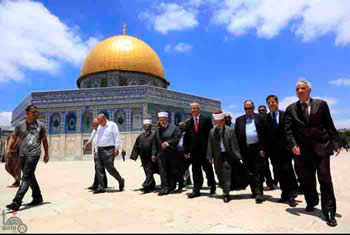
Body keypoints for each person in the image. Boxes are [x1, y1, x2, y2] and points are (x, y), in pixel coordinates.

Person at [285, 80, 341, 227]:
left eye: (303, 88)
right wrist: (293, 145)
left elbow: (329, 124)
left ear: (309, 90)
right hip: (303, 151)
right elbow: (288, 131)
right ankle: (311, 201)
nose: (300, 91)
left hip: (322, 147)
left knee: (325, 179)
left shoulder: (321, 104)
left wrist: (336, 142)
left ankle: (329, 212)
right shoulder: (291, 108)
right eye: (297, 89)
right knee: (307, 179)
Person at [6, 105, 49, 211]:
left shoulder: (41, 125)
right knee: (30, 177)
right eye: (33, 112)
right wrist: (8, 148)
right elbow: (13, 137)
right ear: (27, 113)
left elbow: (44, 140)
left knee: (25, 177)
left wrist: (46, 154)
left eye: (36, 112)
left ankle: (16, 201)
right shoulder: (20, 125)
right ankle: (37, 197)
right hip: (22, 155)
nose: (36, 114)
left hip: (34, 154)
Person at [207, 111, 250, 203]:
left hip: (228, 155)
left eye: (220, 121)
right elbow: (210, 145)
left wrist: (238, 157)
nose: (218, 123)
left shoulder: (230, 130)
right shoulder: (212, 131)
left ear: (223, 120)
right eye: (216, 121)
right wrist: (209, 156)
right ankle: (224, 189)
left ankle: (226, 193)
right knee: (219, 173)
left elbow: (234, 145)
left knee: (226, 173)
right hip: (217, 156)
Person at [264, 95, 298, 207]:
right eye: (268, 103)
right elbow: (266, 136)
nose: (271, 104)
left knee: (288, 171)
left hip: (285, 150)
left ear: (277, 102)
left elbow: (290, 131)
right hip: (273, 152)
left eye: (272, 102)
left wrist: (292, 146)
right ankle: (284, 194)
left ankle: (292, 195)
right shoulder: (267, 118)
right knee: (279, 173)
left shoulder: (285, 115)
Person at [235, 100, 266, 204]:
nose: (248, 110)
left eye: (250, 108)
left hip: (258, 149)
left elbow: (265, 135)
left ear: (253, 108)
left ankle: (259, 193)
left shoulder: (260, 118)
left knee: (259, 171)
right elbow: (237, 137)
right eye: (246, 108)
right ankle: (254, 191)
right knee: (249, 172)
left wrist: (263, 148)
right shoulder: (239, 120)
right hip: (245, 150)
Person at [184, 102, 216, 199]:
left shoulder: (206, 119)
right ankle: (196, 189)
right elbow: (187, 137)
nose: (193, 110)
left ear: (199, 109)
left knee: (208, 169)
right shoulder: (188, 122)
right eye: (192, 109)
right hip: (194, 152)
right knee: (195, 170)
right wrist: (186, 151)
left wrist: (211, 151)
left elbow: (211, 136)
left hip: (205, 151)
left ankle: (212, 186)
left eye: (195, 108)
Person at [93, 113, 125, 194]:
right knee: (99, 168)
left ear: (104, 118)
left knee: (110, 168)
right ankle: (101, 187)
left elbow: (117, 136)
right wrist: (96, 150)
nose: (99, 123)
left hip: (109, 149)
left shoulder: (112, 125)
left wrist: (116, 148)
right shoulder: (100, 127)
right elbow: (98, 139)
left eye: (100, 121)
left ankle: (120, 180)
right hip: (99, 149)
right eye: (98, 122)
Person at [152, 111, 181, 196]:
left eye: (164, 119)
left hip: (171, 153)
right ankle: (164, 187)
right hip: (161, 154)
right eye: (161, 120)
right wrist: (153, 154)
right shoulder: (157, 130)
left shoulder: (174, 128)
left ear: (167, 119)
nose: (162, 121)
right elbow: (155, 143)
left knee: (172, 170)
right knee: (162, 170)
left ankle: (172, 185)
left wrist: (168, 143)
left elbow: (177, 138)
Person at [130, 119, 158, 192]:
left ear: (151, 126)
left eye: (148, 126)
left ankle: (146, 185)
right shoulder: (140, 136)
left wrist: (153, 154)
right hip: (143, 157)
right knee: (147, 171)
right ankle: (152, 185)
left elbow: (154, 145)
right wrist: (134, 156)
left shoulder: (154, 135)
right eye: (145, 126)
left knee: (149, 171)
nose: (147, 127)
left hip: (151, 156)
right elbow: (136, 146)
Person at [83, 118, 108, 191]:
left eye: (93, 124)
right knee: (99, 168)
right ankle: (101, 183)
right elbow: (90, 139)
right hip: (96, 151)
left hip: (101, 151)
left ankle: (98, 185)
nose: (92, 125)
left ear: (97, 124)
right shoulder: (94, 131)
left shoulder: (102, 130)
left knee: (98, 168)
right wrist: (85, 145)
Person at [258, 105, 277, 190]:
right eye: (260, 110)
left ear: (266, 110)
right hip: (263, 147)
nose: (262, 112)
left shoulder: (271, 118)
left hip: (273, 146)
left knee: (275, 165)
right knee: (265, 166)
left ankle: (276, 180)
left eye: (263, 110)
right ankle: (270, 183)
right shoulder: (257, 120)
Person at [177, 121, 192, 187]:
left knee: (185, 166)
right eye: (180, 126)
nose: (181, 127)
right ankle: (187, 180)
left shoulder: (188, 133)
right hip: (179, 152)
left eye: (182, 126)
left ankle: (186, 180)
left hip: (186, 151)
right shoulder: (179, 133)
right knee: (182, 166)